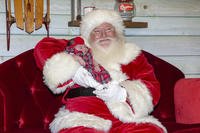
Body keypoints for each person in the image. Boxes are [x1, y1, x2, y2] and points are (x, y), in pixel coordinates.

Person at [34, 9, 167, 133]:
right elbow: (43, 47)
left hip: (124, 117)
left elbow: (151, 86)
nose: (103, 35)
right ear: (88, 37)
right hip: (83, 116)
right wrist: (73, 68)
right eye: (96, 31)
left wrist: (122, 94)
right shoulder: (79, 49)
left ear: (117, 32)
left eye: (109, 29)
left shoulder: (132, 55)